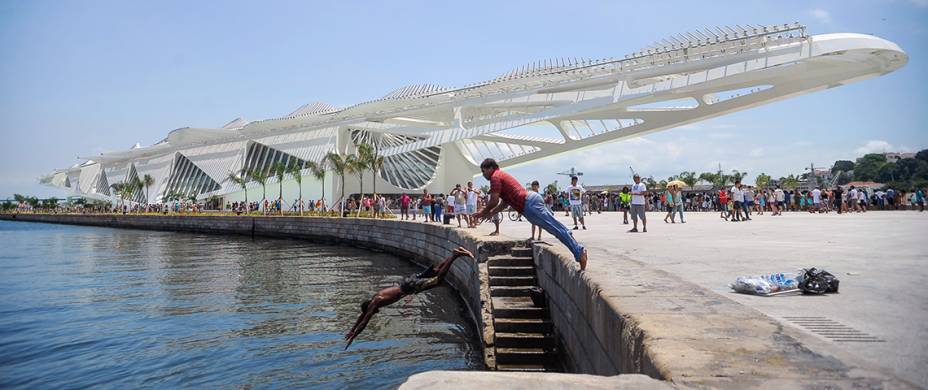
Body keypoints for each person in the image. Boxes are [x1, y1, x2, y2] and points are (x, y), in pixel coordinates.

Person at [344, 247, 474, 349]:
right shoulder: (375, 298)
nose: (375, 313)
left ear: (369, 307)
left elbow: (364, 321)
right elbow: (362, 317)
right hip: (407, 282)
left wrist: (354, 336)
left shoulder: (375, 303)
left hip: (409, 287)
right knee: (434, 271)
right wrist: (351, 330)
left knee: (438, 280)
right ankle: (455, 253)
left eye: (371, 312)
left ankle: (455, 256)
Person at [473, 158, 588, 270]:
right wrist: (491, 213)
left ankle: (579, 251)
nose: (483, 175)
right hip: (530, 203)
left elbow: (494, 201)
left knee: (555, 228)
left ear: (491, 168)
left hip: (529, 204)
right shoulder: (500, 175)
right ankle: (575, 245)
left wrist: (483, 212)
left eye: (484, 171)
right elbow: (504, 203)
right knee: (555, 227)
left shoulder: (495, 177)